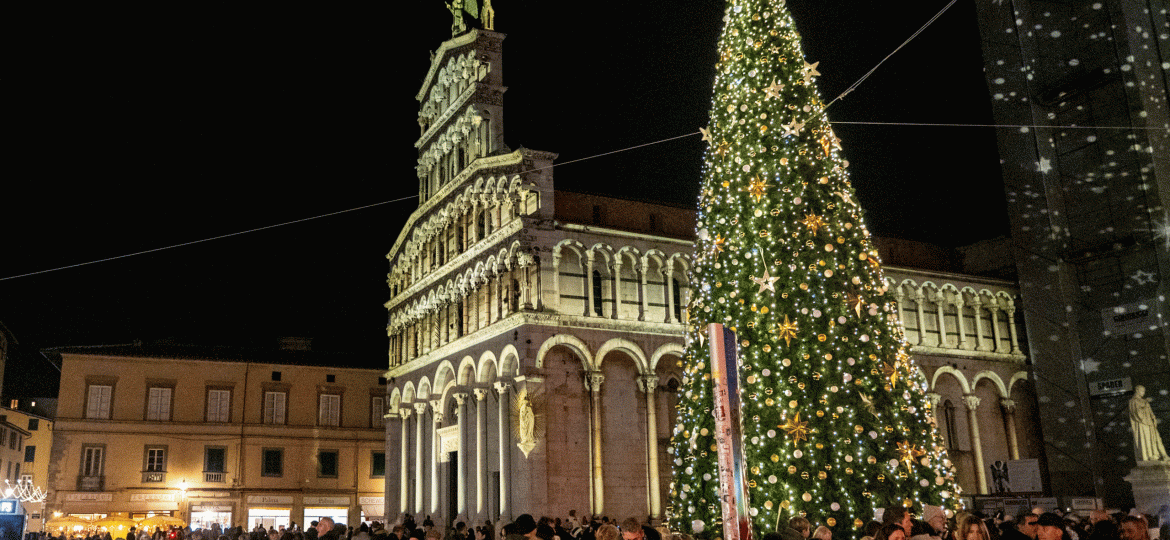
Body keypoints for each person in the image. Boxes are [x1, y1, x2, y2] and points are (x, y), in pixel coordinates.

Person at [1130, 386, 1170, 461]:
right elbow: (1136, 412)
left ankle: (1163, 455)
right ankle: (1150, 455)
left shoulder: (1144, 400)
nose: (1143, 393)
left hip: (1149, 422)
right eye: (1142, 391)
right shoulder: (1133, 401)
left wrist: (1153, 418)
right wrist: (1145, 403)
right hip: (1143, 423)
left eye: (1144, 391)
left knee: (1157, 439)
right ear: (1137, 390)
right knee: (1146, 439)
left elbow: (1149, 411)